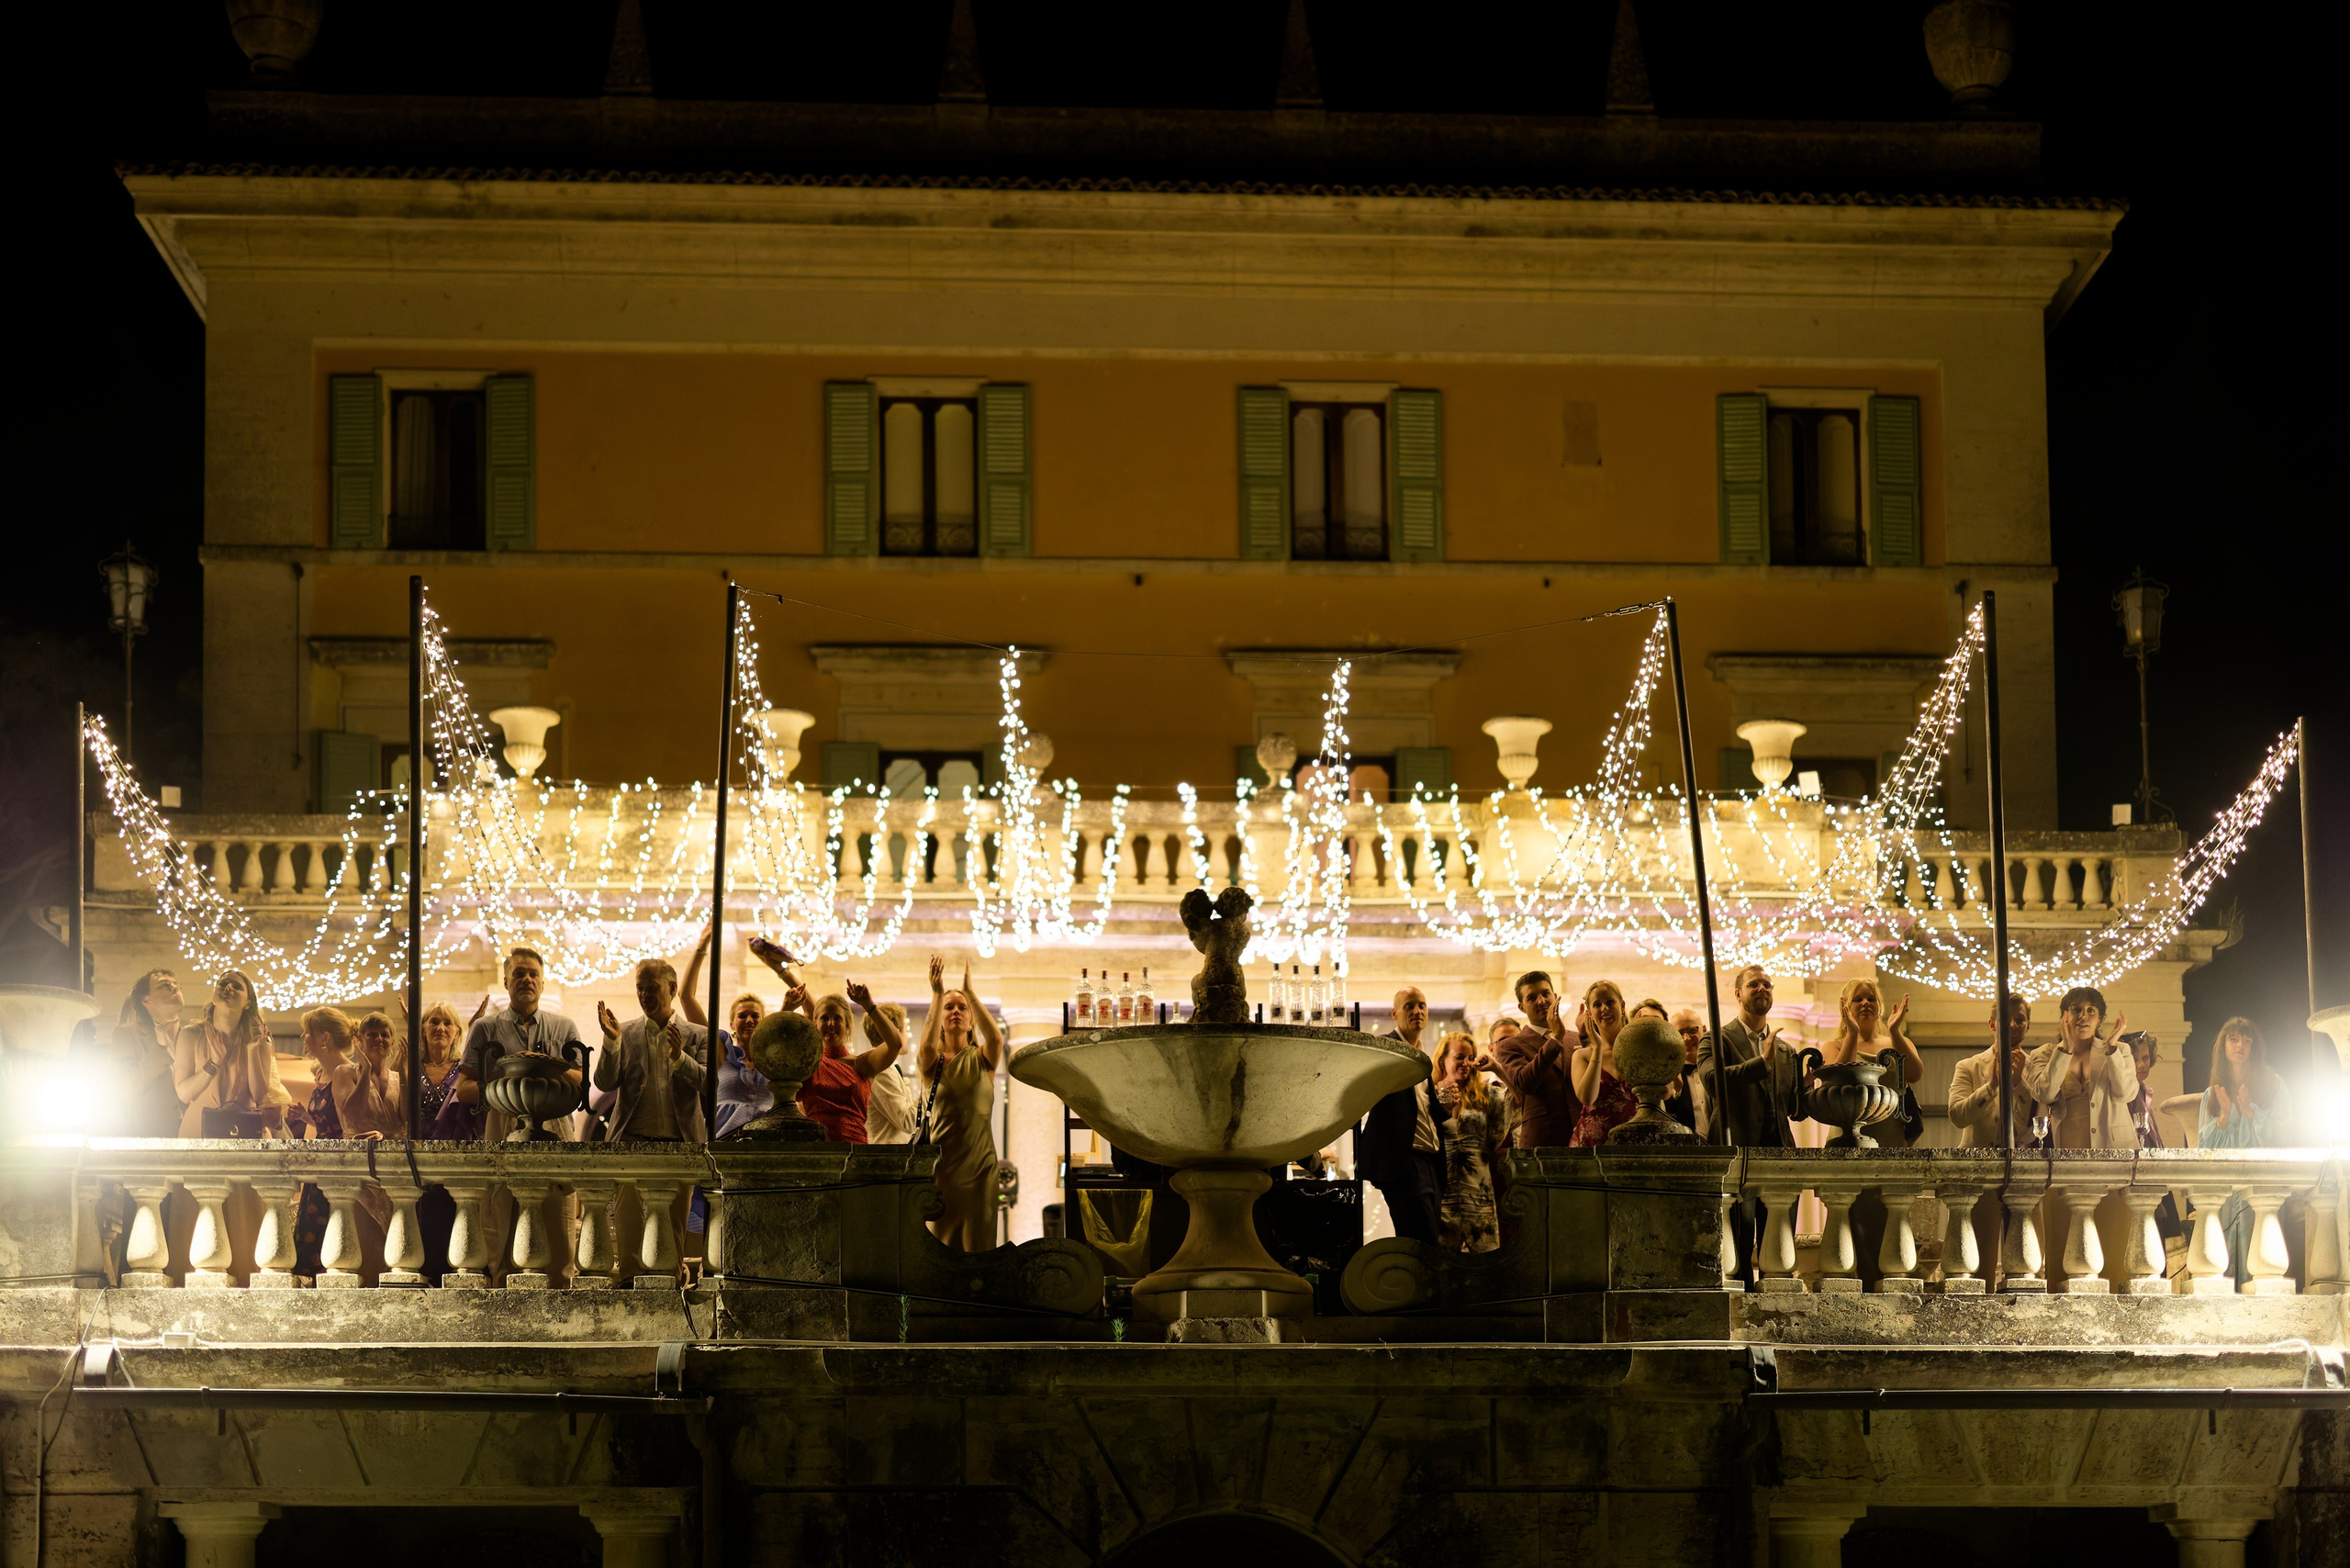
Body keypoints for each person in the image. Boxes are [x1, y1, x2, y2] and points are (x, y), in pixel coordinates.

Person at [918, 954, 1006, 1251]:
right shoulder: (933, 1062)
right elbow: (926, 1047)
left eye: (962, 1007)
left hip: (981, 1171)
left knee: (978, 1250)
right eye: (949, 1007)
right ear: (941, 1019)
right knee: (943, 1252)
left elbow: (996, 1039)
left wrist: (969, 991)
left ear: (971, 1021)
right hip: (944, 1172)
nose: (956, 1011)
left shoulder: (982, 1058)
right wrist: (937, 994)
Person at [2199, 1016, 2293, 1289]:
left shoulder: (2273, 1085)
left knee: (2261, 1259)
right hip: (2227, 1195)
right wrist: (2224, 1118)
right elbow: (2203, 1150)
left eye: (2247, 1041)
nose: (2240, 1045)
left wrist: (2252, 1115)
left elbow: (2286, 1133)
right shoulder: (2212, 1094)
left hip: (2260, 1184)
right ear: (2223, 1046)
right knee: (2223, 1261)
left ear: (2254, 1048)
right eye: (2234, 1039)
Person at [456, 949, 586, 1138]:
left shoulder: (564, 1027)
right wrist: (506, 1087)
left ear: (542, 984)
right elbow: (463, 1090)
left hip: (557, 1132)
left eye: (533, 974)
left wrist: (548, 1065)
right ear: (506, 982)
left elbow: (583, 1082)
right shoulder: (484, 1028)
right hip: (501, 1132)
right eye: (519, 974)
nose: (527, 979)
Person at [1355, 986, 1449, 1246]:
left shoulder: (1423, 1056)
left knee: (1430, 1242)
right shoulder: (1386, 1048)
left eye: (1421, 1005)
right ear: (1394, 1014)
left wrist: (1446, 1107)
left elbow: (1422, 1108)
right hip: (1404, 1161)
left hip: (1430, 1161)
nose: (1417, 1011)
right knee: (1420, 1243)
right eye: (1409, 1006)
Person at [592, 958, 711, 1142]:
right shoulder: (622, 1033)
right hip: (630, 1143)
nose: (645, 995)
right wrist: (612, 1042)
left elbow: (710, 1085)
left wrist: (680, 1059)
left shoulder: (699, 1035)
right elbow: (605, 1084)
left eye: (652, 988)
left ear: (672, 988)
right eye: (640, 988)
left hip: (684, 1144)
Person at [786, 975, 906, 1144]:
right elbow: (771, 1058)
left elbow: (895, 1043)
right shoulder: (808, 1066)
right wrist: (786, 1010)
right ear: (815, 1024)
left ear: (847, 1025)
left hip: (856, 1151)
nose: (831, 1024)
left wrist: (869, 1005)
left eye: (837, 1018)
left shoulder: (861, 1064)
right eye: (825, 1018)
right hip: (817, 1152)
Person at [171, 969, 290, 1137]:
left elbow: (258, 1095)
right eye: (223, 984)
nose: (228, 988)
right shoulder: (191, 1034)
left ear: (247, 1003)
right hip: (198, 1130)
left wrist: (252, 1050)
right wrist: (213, 1064)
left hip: (241, 1130)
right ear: (214, 995)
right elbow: (184, 1094)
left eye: (237, 986)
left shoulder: (259, 1040)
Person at [1488, 970, 1581, 1148]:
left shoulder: (1576, 1038)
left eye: (1545, 994)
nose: (1541, 1001)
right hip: (1542, 1141)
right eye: (1531, 998)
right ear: (1521, 1007)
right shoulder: (1510, 1045)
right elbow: (1525, 1082)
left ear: (1555, 997)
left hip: (1582, 1136)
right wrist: (1555, 1039)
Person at [1434, 1031, 1503, 1253]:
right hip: (1443, 1197)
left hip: (1479, 1196)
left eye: (1470, 1058)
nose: (1466, 1063)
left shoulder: (1484, 1095)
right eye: (1459, 1057)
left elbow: (1520, 1100)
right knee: (1442, 1265)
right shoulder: (1429, 1094)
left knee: (1487, 1263)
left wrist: (1496, 1068)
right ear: (1442, 1060)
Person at [106, 969, 188, 1137]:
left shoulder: (194, 1034)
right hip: (150, 1136)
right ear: (147, 1000)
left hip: (194, 1134)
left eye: (176, 985)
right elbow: (126, 1086)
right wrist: (160, 1049)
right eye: (165, 985)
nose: (174, 988)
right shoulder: (127, 1034)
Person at [1568, 980, 1637, 1146]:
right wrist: (1597, 1048)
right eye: (1597, 1004)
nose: (1604, 1008)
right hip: (1591, 1145)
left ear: (1622, 1005)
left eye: (1610, 1002)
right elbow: (1587, 1097)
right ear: (1590, 1013)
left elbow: (1665, 1092)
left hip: (1635, 1142)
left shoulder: (1639, 1050)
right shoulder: (1582, 1055)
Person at [418, 998, 488, 1139]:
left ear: (457, 1033)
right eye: (434, 1022)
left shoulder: (465, 1070)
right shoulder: (412, 1067)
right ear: (424, 1030)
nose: (440, 1028)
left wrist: (475, 1034)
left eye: (447, 1023)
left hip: (456, 1148)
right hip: (415, 1147)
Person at [866, 1002, 919, 1144]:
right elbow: (907, 1121)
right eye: (905, 1030)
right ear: (894, 1032)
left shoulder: (887, 1067)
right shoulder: (882, 1069)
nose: (907, 1036)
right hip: (886, 1154)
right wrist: (930, 1088)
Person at [1666, 1006, 1706, 1134]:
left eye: (1692, 1030)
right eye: (1679, 1033)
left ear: (1704, 1030)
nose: (1686, 1038)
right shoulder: (1669, 1074)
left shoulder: (1721, 1066)